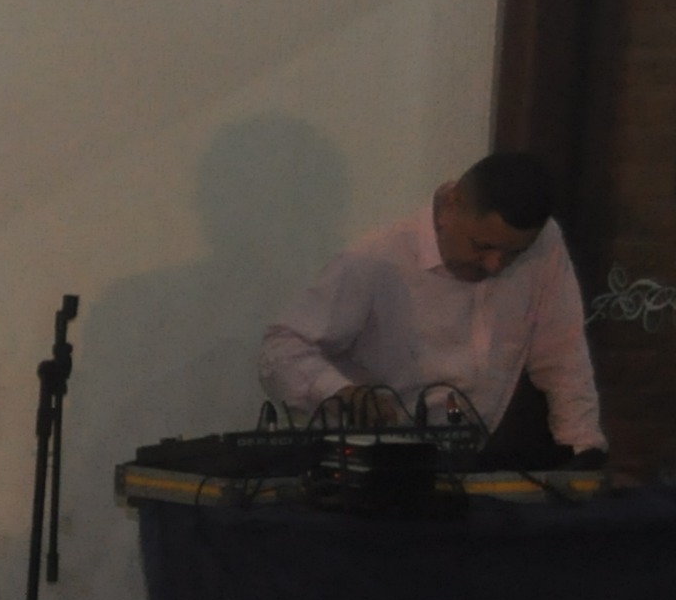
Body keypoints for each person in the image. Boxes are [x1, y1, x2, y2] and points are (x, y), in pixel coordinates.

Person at [258, 152, 603, 454]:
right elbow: (281, 348)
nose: (495, 264)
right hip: (369, 462)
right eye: (481, 246)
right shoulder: (378, 258)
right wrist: (341, 392)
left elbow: (563, 357)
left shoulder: (544, 243)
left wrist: (583, 450)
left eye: (514, 254)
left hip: (470, 459)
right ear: (451, 206)